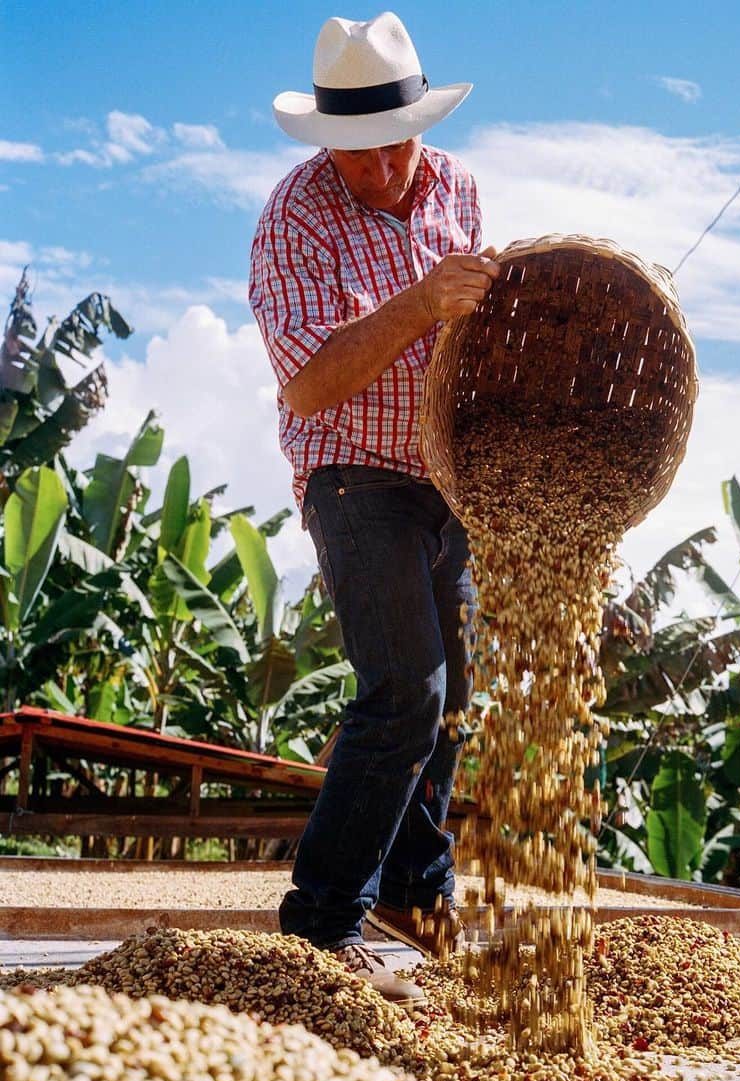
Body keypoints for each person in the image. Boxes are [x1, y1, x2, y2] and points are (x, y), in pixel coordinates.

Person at [249, 12, 499, 1006]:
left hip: (447, 479)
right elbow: (308, 385)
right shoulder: (294, 218)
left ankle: (417, 890)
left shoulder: (464, 191)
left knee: (456, 705)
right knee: (404, 689)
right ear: (324, 144)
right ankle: (319, 921)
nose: (381, 167)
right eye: (356, 154)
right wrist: (422, 303)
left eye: (396, 143)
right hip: (350, 472)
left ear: (420, 125)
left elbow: (474, 331)